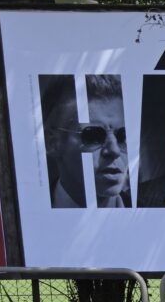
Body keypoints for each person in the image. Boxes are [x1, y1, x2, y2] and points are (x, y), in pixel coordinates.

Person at [41, 75, 131, 208]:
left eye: (122, 136)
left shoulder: (153, 214)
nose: (114, 150)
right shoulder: (29, 210)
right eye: (93, 135)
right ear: (52, 143)